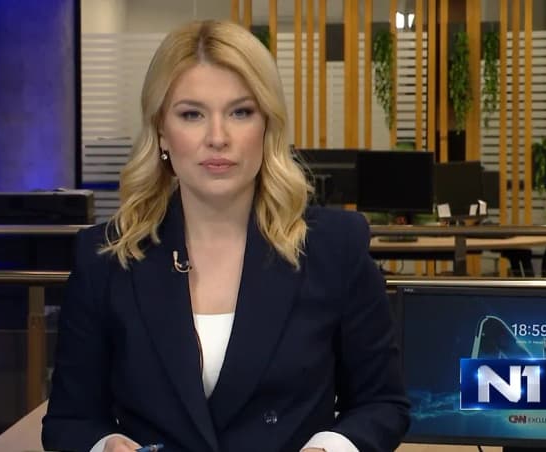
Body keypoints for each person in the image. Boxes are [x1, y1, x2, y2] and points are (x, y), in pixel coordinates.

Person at [42, 19, 409, 452]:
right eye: (191, 114)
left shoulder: (335, 247)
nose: (218, 138)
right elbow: (70, 421)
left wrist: (333, 446)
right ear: (161, 131)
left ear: (267, 125)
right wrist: (104, 445)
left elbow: (382, 404)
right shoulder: (106, 257)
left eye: (240, 112)